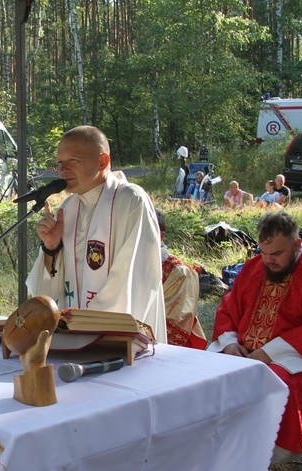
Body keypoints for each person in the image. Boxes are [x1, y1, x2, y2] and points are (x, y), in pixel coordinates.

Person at [208, 211, 302, 463]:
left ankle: (257, 455)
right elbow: (229, 307)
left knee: (272, 383)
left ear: (297, 245)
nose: (268, 261)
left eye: (277, 254)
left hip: (296, 361)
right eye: (263, 252)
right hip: (242, 352)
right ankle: (213, 443)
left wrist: (270, 353)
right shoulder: (254, 267)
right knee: (209, 372)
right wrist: (230, 344)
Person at [27, 125, 166, 343]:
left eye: (73, 160)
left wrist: (89, 325)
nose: (63, 170)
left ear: (102, 161)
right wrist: (51, 248)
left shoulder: (130, 201)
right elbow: (47, 290)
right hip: (74, 334)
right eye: (59, 163)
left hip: (118, 338)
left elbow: (132, 276)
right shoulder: (69, 207)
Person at [155, 210, 206, 349]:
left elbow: (176, 322)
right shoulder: (127, 265)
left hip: (168, 348)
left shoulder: (180, 273)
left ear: (160, 235)